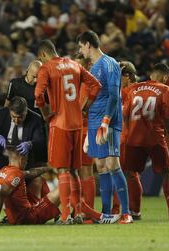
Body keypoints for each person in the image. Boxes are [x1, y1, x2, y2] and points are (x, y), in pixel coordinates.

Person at [35, 39, 108, 224]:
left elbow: (38, 95)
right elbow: (96, 85)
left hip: (60, 123)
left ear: (43, 55)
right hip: (77, 123)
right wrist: (85, 107)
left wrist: (46, 114)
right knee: (75, 171)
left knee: (62, 170)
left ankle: (67, 215)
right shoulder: (74, 64)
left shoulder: (46, 68)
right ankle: (79, 213)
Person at [77, 30, 132, 224]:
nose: (80, 50)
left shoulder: (109, 64)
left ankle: (126, 213)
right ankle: (107, 213)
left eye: (80, 46)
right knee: (100, 166)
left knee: (112, 164)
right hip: (94, 121)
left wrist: (106, 121)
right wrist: (88, 132)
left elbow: (114, 95)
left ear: (88, 44)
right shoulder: (93, 68)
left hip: (107, 122)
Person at [122, 63, 169, 221]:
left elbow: (125, 113)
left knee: (131, 173)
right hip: (155, 137)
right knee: (166, 172)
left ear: (151, 74)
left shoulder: (131, 89)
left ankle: (135, 211)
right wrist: (168, 136)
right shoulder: (164, 89)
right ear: (165, 77)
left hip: (134, 137)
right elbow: (167, 117)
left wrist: (128, 130)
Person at [0, 147, 120, 225]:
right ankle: (98, 216)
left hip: (17, 216)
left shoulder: (4, 170)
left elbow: (30, 173)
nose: (26, 163)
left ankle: (66, 213)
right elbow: (0, 196)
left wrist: (48, 167)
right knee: (66, 186)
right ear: (21, 159)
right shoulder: (16, 174)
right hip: (28, 216)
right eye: (25, 160)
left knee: (38, 179)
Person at [0, 96, 46, 210]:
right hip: (0, 156)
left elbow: (40, 139)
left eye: (20, 117)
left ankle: (30, 211)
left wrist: (30, 144)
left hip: (22, 159)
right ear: (9, 111)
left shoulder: (35, 118)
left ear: (26, 111)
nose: (16, 120)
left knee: (36, 179)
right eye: (13, 117)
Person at [111, 61, 143, 219]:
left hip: (126, 136)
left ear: (127, 76)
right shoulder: (140, 90)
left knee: (118, 171)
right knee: (131, 173)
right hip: (137, 137)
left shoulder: (127, 92)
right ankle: (135, 210)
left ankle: (117, 209)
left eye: (118, 75)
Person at [5, 59, 48, 167]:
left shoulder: (44, 88)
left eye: (39, 77)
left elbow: (48, 108)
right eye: (34, 76)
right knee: (16, 161)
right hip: (17, 127)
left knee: (37, 162)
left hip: (36, 129)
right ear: (27, 70)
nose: (36, 80)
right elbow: (7, 105)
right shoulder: (15, 84)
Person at [72, 52, 96, 209]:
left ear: (88, 66)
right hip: (74, 128)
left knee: (86, 170)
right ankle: (79, 210)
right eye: (75, 65)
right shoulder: (74, 83)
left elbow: (80, 109)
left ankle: (88, 210)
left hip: (86, 129)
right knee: (75, 170)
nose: (76, 68)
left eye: (80, 65)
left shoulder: (88, 84)